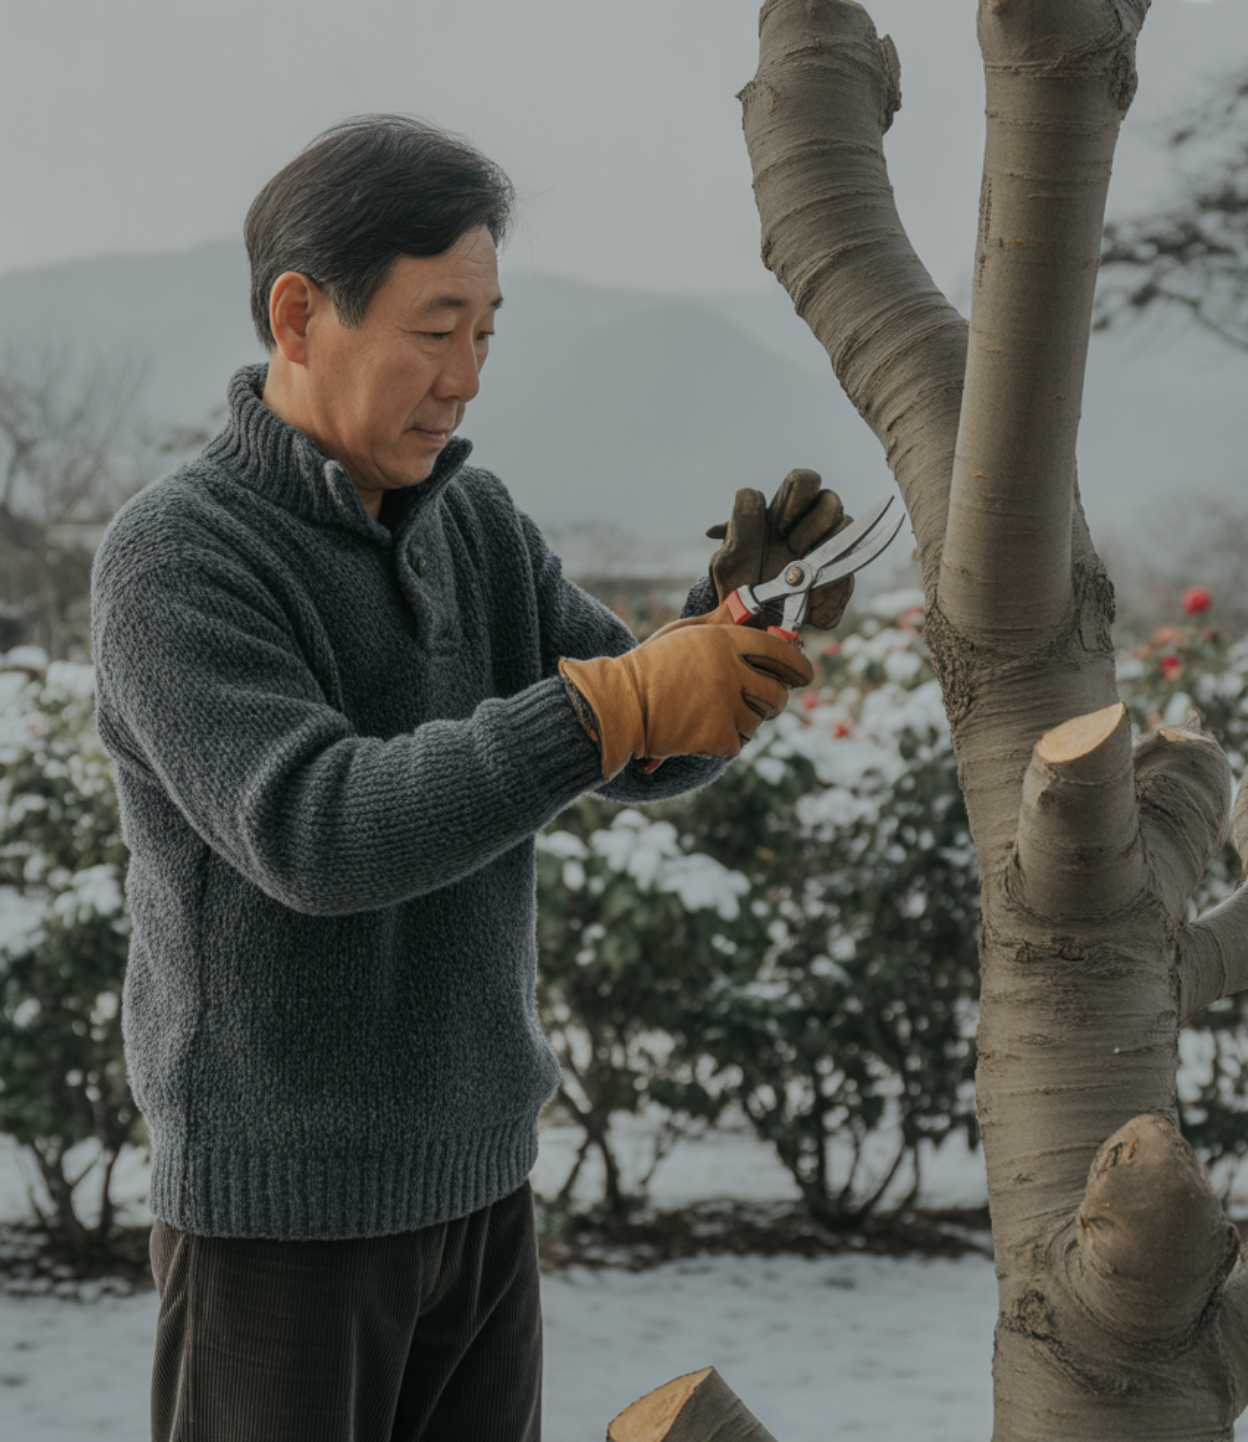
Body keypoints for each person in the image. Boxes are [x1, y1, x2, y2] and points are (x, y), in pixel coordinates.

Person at [90, 115, 852, 1442]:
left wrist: (729, 635)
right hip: (278, 1225)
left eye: (488, 332)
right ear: (299, 314)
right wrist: (613, 702)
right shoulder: (178, 558)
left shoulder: (475, 521)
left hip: (482, 1190)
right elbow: (317, 829)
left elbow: (637, 746)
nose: (468, 377)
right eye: (436, 328)